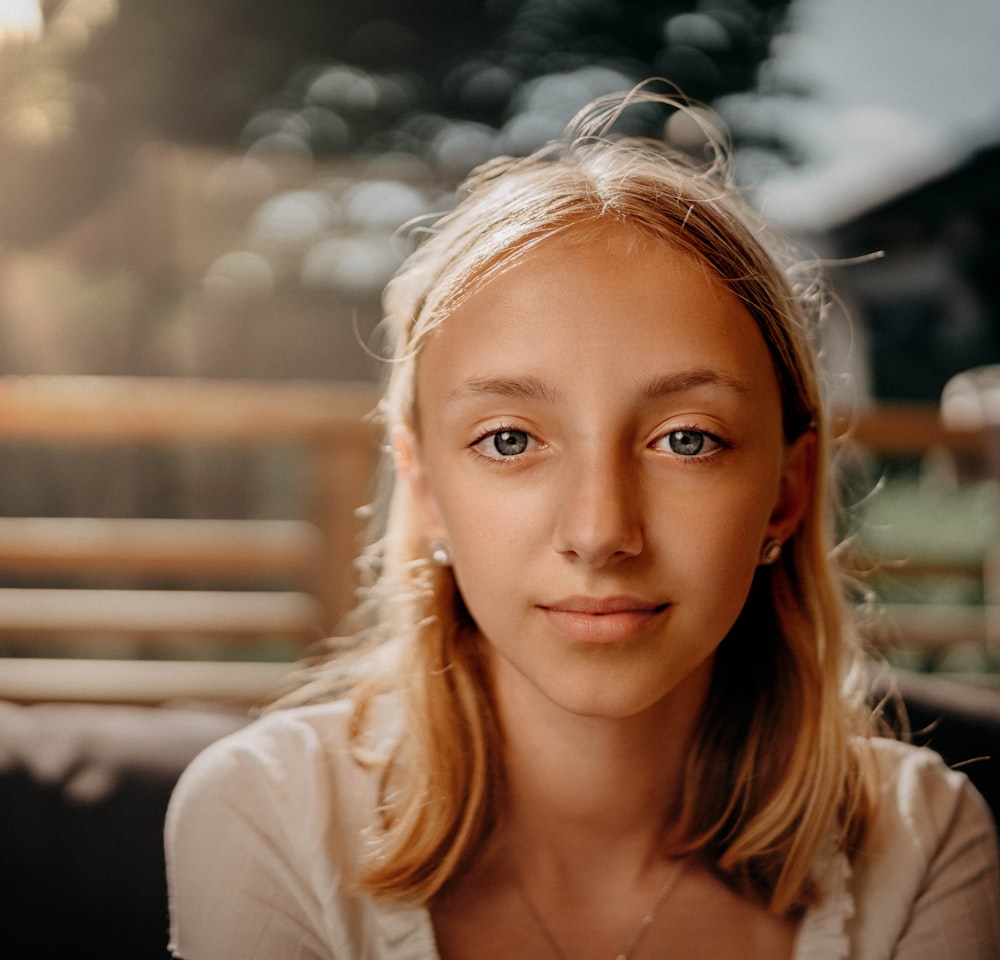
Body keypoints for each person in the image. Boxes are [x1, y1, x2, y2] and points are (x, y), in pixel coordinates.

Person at [165, 86, 1000, 960]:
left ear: (787, 493)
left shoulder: (923, 842)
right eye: (510, 439)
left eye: (686, 439)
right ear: (427, 488)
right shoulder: (268, 816)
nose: (601, 531)